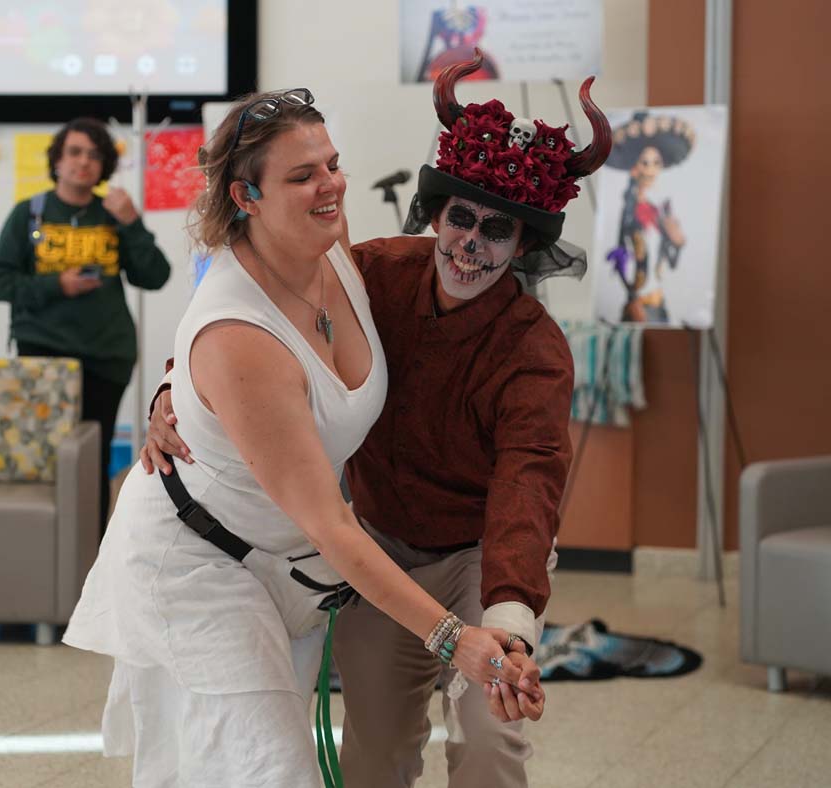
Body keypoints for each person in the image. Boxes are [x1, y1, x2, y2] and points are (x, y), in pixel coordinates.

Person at [142, 55, 610, 788]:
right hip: (374, 545)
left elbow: (529, 486)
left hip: (480, 559)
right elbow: (262, 322)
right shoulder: (376, 273)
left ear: (524, 247)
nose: (470, 244)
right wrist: (172, 389)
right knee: (374, 753)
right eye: (461, 217)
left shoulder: (534, 349)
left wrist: (509, 629)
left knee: (491, 741)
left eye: (497, 231)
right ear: (436, 212)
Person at [0, 117, 171, 530]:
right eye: (74, 152)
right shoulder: (29, 213)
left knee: (92, 456)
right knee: (44, 455)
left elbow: (155, 276)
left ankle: (87, 554)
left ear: (104, 164)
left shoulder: (113, 214)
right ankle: (42, 542)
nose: (83, 162)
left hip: (106, 356)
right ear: (57, 160)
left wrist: (132, 223)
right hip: (43, 356)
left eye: (94, 154)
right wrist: (58, 286)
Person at [603, 111, 695, 323]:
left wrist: (678, 242)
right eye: (645, 162)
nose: (651, 170)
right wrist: (632, 297)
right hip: (639, 306)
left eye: (656, 163)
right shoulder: (629, 212)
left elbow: (669, 263)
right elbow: (620, 257)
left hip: (658, 302)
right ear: (635, 168)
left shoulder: (659, 212)